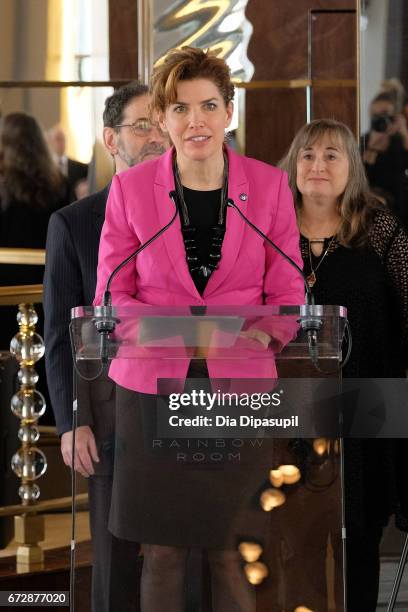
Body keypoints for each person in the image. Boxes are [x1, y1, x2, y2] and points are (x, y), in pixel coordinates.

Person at [94, 47, 304, 612]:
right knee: (161, 551)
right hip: (150, 391)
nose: (196, 122)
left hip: (237, 391)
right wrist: (187, 335)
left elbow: (287, 294)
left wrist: (257, 336)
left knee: (230, 549)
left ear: (229, 112)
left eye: (209, 105)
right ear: (162, 118)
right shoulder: (132, 191)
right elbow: (112, 296)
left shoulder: (267, 187)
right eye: (180, 108)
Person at [43, 82, 169, 612]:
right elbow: (58, 334)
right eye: (143, 125)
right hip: (110, 412)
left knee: (184, 554)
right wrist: (73, 421)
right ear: (110, 139)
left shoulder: (199, 212)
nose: (157, 137)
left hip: (185, 407)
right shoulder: (73, 224)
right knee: (117, 556)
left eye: (162, 124)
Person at [280, 118, 408, 611]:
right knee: (295, 538)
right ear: (292, 166)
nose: (317, 166)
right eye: (308, 155)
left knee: (359, 537)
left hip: (365, 411)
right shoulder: (268, 234)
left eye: (332, 156)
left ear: (352, 167)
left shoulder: (379, 229)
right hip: (288, 411)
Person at [362, 92, 408, 228]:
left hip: (402, 201)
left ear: (395, 116)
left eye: (385, 113)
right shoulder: (365, 140)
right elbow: (361, 176)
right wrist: (372, 149)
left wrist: (404, 131)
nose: (381, 119)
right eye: (375, 115)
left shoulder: (401, 139)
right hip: (375, 204)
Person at [48, 124, 89, 198]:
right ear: (50, 142)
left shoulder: (81, 168)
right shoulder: (45, 168)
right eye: (57, 139)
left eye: (63, 139)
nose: (60, 143)